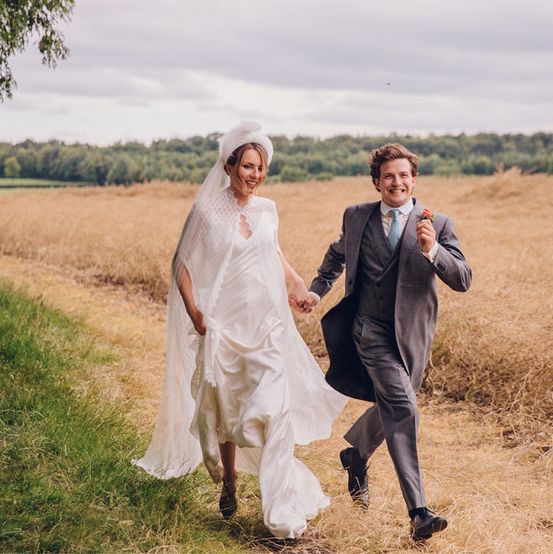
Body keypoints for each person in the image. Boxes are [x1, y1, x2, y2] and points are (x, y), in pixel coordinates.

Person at [133, 122, 347, 539]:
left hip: (268, 327)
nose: (255, 174)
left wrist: (298, 283)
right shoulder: (208, 211)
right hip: (224, 327)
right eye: (248, 166)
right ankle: (230, 479)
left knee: (274, 411)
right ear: (229, 166)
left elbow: (275, 253)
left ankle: (282, 513)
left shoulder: (268, 209)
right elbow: (181, 264)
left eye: (261, 168)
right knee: (228, 411)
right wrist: (195, 312)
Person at [298, 142, 472, 540]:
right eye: (389, 176)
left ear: (414, 180)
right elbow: (336, 255)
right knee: (403, 409)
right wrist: (315, 290)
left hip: (413, 336)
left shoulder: (438, 224)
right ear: (377, 182)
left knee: (397, 402)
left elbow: (463, 279)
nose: (398, 182)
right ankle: (419, 512)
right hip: (368, 329)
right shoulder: (357, 216)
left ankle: (355, 454)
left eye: (404, 175)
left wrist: (433, 251)